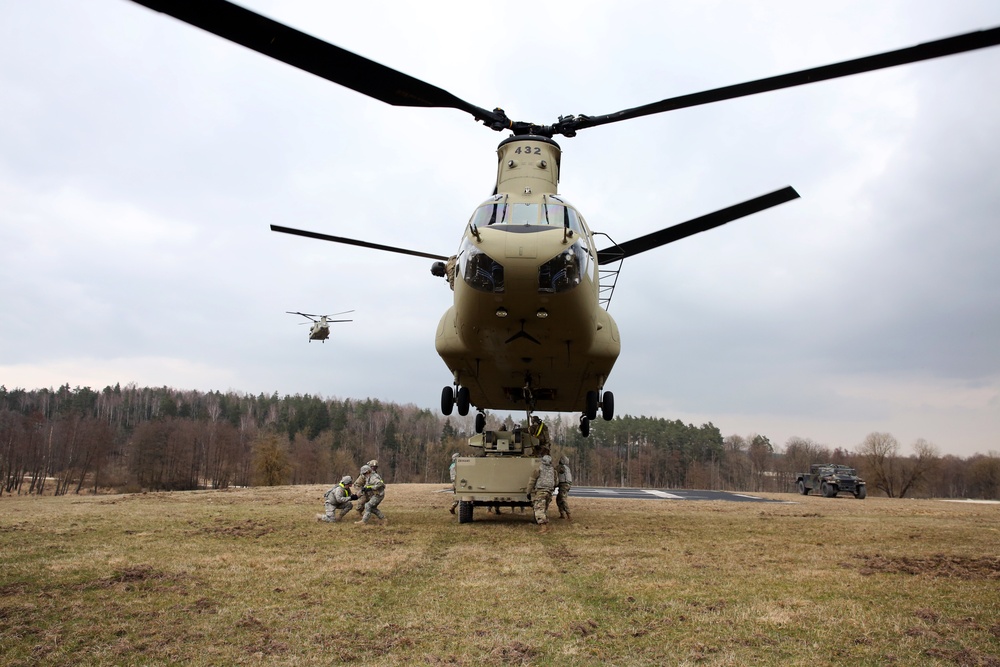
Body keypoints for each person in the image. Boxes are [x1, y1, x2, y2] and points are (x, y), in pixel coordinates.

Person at [525, 454, 556, 533]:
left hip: (541, 491)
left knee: (538, 509)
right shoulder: (553, 470)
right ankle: (545, 525)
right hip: (549, 491)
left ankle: (544, 528)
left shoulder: (538, 469)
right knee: (544, 509)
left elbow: (532, 481)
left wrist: (528, 492)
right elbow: (556, 481)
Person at [556, 455, 573, 520]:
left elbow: (555, 472)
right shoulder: (567, 468)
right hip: (567, 484)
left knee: (562, 499)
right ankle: (562, 514)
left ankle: (568, 515)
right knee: (559, 499)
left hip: (563, 485)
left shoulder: (561, 467)